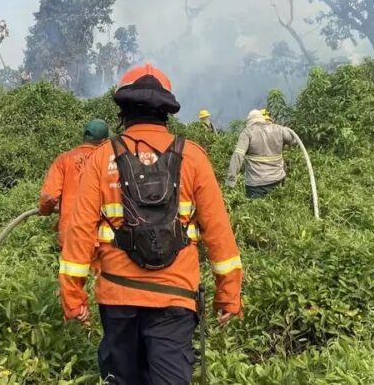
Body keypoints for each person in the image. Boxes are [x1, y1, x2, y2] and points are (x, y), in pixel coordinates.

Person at [59, 64, 243, 385]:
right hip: (175, 300)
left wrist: (73, 298)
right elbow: (218, 233)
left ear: (123, 109)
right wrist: (228, 294)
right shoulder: (194, 157)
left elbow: (79, 234)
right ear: (166, 112)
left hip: (117, 299)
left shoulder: (101, 159)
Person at [39, 119, 109, 248]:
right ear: (105, 141)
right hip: (103, 237)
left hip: (71, 236)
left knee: (72, 268)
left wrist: (44, 211)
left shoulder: (64, 159)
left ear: (84, 137)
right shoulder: (111, 161)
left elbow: (49, 196)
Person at [226, 109, 298, 199]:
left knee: (257, 211)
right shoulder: (279, 129)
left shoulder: (247, 132)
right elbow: (294, 141)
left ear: (250, 122)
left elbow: (238, 156)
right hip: (277, 180)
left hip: (256, 185)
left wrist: (231, 181)